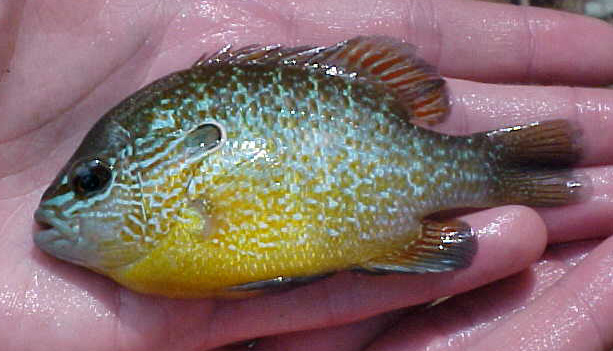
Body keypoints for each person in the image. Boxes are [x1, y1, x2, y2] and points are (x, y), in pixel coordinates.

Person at [1, 0, 613, 350]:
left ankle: (497, 169)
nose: (59, 212)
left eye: (92, 181)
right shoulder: (148, 259)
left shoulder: (162, 247)